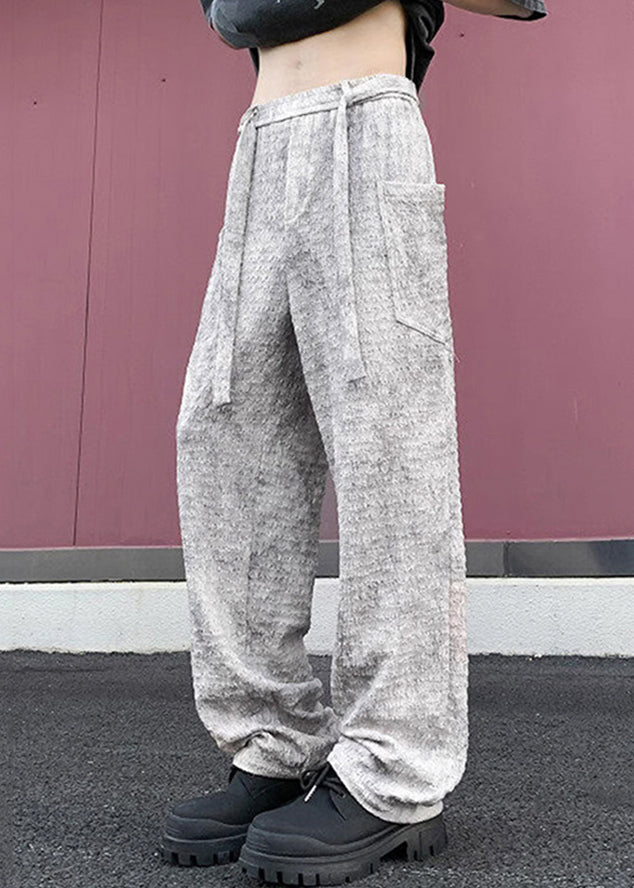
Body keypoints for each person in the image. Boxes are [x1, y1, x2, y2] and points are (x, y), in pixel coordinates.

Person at [161, 1, 547, 884]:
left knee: (389, 446)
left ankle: (394, 770)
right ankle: (273, 741)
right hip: (260, 141)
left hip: (364, 123)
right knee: (225, 435)